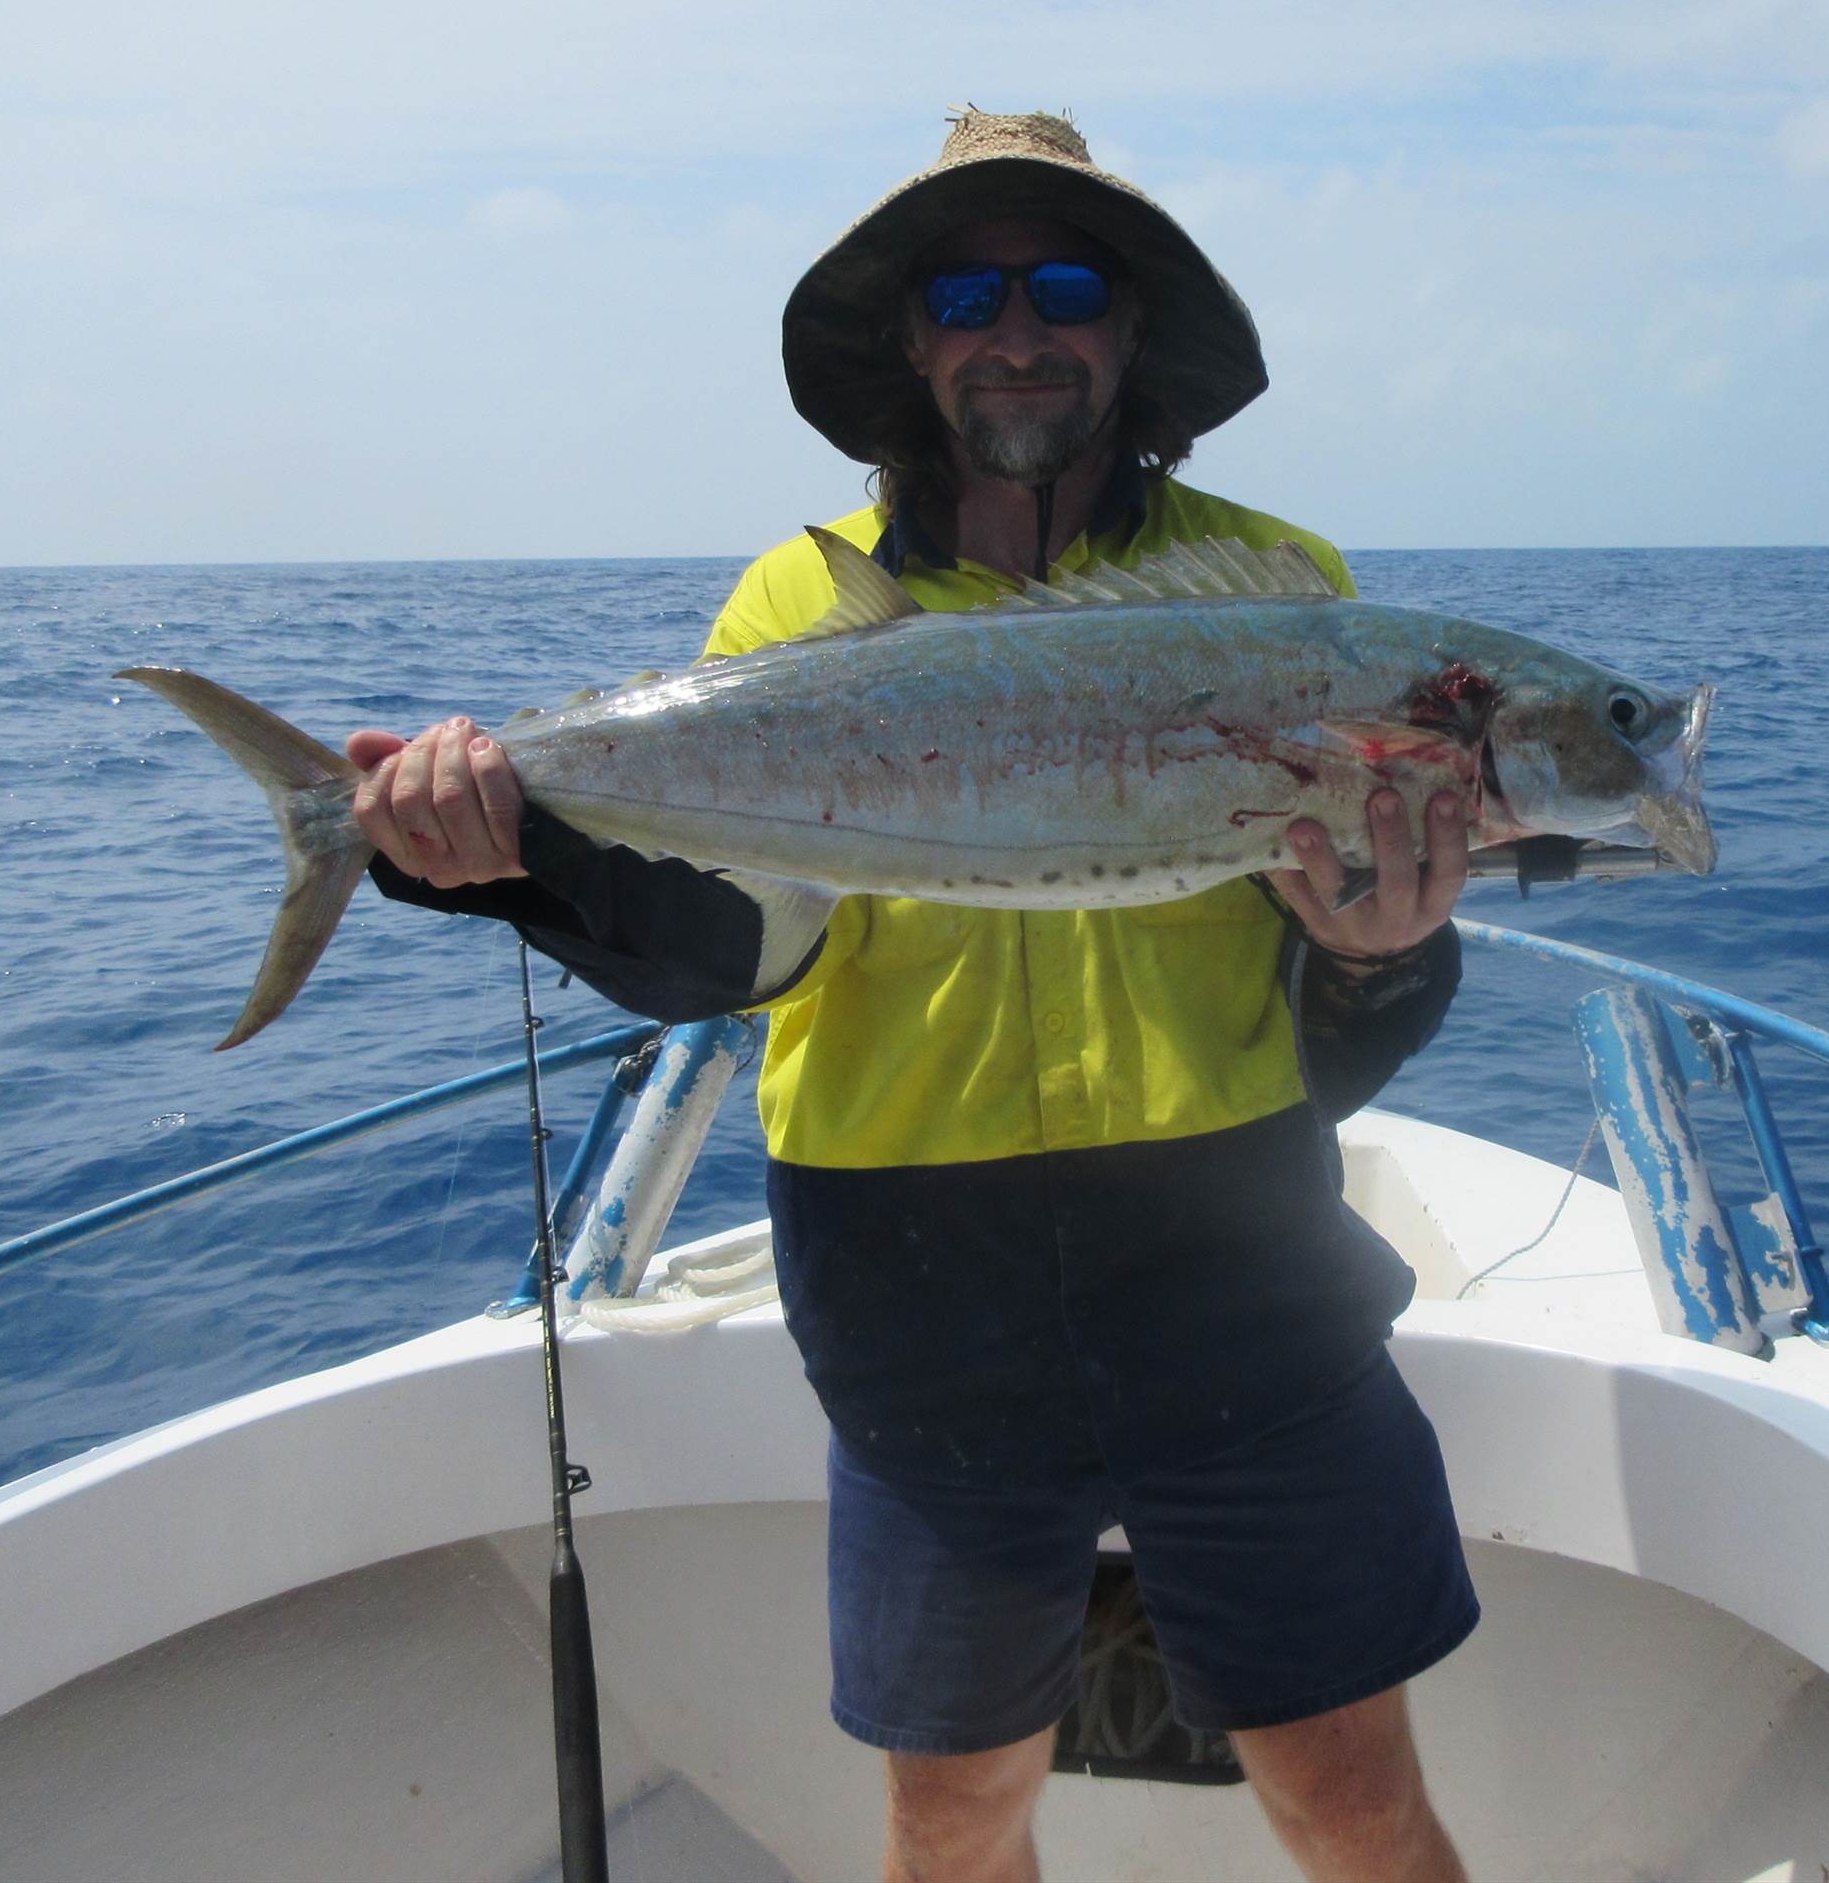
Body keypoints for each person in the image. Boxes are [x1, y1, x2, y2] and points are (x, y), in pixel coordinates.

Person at [346, 111, 1476, 1883]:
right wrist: (495, 858)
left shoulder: (1288, 595)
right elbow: (738, 953)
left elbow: (1352, 1025)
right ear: (914, 340)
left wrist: (1380, 951)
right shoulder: (797, 603)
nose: (1016, 328)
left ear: (1130, 330)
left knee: (1350, 1789)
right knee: (948, 1819)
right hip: (920, 1316)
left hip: (1242, 1286)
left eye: (1064, 286)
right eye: (967, 290)